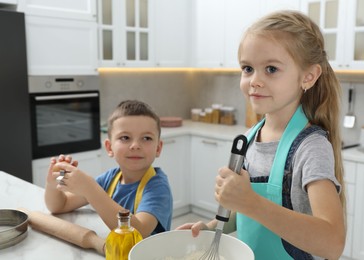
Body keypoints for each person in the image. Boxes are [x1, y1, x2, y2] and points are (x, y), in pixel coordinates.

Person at [177, 10, 346, 260]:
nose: (254, 80)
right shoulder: (248, 140)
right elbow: (245, 215)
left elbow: (332, 244)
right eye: (247, 68)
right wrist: (212, 226)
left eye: (271, 69)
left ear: (308, 77)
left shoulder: (310, 148)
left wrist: (250, 202)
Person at [45, 100, 173, 239]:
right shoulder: (108, 179)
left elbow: (137, 233)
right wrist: (53, 183)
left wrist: (90, 188)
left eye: (146, 138)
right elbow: (59, 206)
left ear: (158, 148)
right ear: (109, 147)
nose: (135, 145)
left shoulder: (158, 187)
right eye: (125, 138)